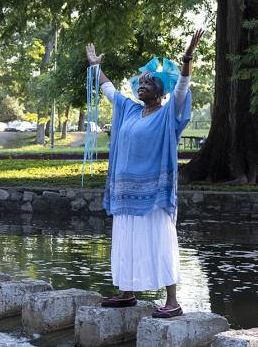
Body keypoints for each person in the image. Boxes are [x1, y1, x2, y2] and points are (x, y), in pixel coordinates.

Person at [86, 29, 204, 318]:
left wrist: (187, 59)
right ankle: (127, 294)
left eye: (148, 83)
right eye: (139, 82)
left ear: (160, 91)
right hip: (126, 192)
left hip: (154, 193)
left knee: (159, 241)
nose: (142, 85)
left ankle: (172, 300)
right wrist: (95, 66)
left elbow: (182, 88)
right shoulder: (128, 110)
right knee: (126, 240)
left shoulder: (168, 113)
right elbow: (110, 90)